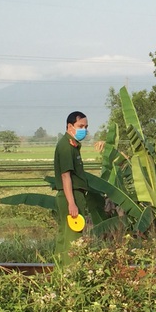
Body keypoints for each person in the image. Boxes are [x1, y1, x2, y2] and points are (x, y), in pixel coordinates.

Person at [54, 111, 89, 263]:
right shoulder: (65, 146)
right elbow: (65, 176)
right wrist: (72, 203)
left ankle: (61, 273)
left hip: (75, 195)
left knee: (67, 235)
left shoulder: (73, 145)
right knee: (72, 238)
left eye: (86, 127)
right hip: (71, 195)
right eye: (81, 126)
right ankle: (70, 273)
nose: (84, 130)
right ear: (70, 126)